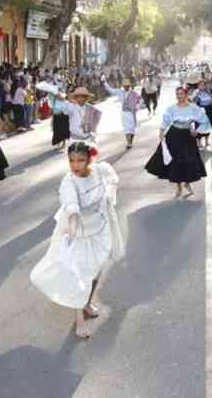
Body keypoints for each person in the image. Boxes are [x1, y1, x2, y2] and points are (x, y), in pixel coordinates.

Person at [30, 142, 125, 339]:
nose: (75, 165)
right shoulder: (68, 182)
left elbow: (113, 178)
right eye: (71, 160)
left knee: (97, 268)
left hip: (100, 228)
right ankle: (79, 319)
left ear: (90, 158)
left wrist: (109, 195)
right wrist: (72, 228)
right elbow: (72, 206)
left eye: (80, 160)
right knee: (79, 275)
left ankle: (87, 302)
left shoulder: (101, 170)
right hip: (77, 232)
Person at [145, 86, 207, 199]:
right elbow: (165, 121)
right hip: (174, 135)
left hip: (188, 137)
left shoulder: (193, 108)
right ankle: (178, 186)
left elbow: (203, 120)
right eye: (177, 94)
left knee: (189, 161)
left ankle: (187, 182)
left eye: (181, 94)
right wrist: (161, 132)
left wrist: (196, 131)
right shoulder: (171, 109)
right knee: (175, 161)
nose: (179, 96)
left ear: (186, 95)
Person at [104, 78, 142, 149]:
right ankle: (128, 143)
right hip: (124, 113)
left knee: (132, 129)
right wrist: (104, 82)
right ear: (123, 86)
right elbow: (110, 90)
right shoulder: (120, 92)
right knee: (126, 128)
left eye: (127, 86)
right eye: (125, 86)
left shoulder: (134, 93)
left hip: (132, 113)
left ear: (129, 85)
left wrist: (137, 107)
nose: (126, 87)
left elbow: (140, 100)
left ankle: (130, 141)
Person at [193, 81, 212, 149]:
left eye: (203, 85)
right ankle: (198, 142)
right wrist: (196, 97)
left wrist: (211, 101)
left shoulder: (208, 92)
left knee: (208, 127)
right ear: (198, 86)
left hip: (208, 111)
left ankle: (207, 142)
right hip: (200, 112)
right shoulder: (196, 92)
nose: (202, 86)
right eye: (200, 85)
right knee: (198, 127)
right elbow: (194, 101)